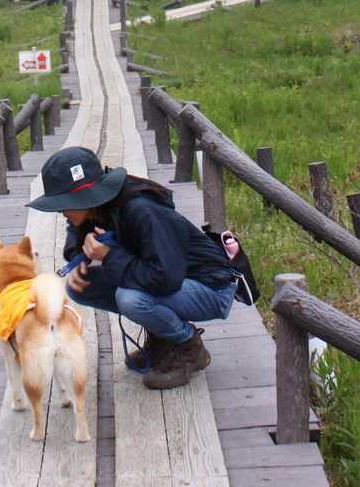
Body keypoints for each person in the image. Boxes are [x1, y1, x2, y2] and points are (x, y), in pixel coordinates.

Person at [27, 145, 237, 390]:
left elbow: (164, 278)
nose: (62, 213)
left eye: (64, 205)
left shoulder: (142, 210)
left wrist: (108, 256)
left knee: (130, 299)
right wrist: (80, 251)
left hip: (211, 288)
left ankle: (188, 346)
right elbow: (77, 232)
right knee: (80, 287)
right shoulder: (101, 205)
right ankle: (162, 337)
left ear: (84, 199)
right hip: (172, 279)